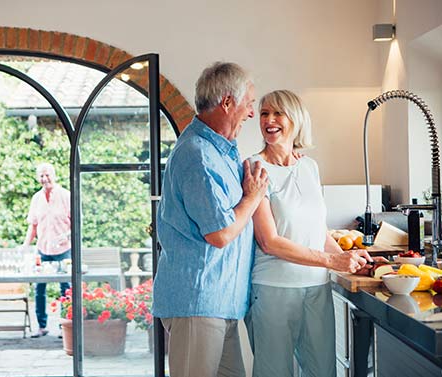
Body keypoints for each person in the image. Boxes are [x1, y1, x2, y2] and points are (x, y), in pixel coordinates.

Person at [244, 90, 374, 377]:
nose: (269, 120)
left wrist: (349, 259)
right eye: (264, 113)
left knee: (323, 372)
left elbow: (319, 233)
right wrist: (332, 263)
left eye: (278, 113)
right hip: (273, 289)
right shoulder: (255, 167)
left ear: (296, 119)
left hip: (317, 289)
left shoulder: (309, 166)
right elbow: (270, 242)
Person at [152, 62, 269, 377]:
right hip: (197, 303)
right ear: (228, 102)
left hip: (221, 303)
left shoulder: (222, 152)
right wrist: (253, 197)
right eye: (249, 103)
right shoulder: (197, 155)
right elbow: (220, 233)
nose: (251, 113)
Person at [23, 162, 71, 338]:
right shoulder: (36, 198)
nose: (44, 179)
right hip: (42, 249)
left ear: (54, 175)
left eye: (47, 175)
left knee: (66, 289)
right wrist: (25, 247)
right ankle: (41, 326)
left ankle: (65, 326)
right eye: (41, 176)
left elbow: (76, 223)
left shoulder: (66, 195)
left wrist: (67, 236)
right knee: (39, 288)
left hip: (64, 250)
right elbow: (33, 226)